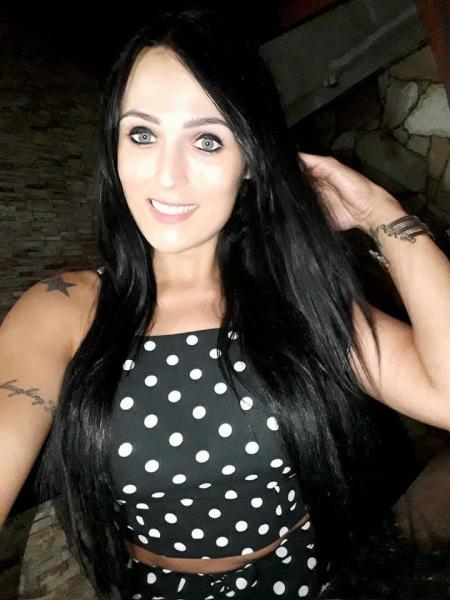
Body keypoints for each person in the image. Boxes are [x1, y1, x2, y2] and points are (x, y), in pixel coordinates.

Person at [1, 6, 449, 600]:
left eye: (207, 140)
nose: (167, 176)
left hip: (301, 580)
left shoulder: (295, 303)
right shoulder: (63, 309)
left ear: (251, 163)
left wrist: (383, 216)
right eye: (142, 134)